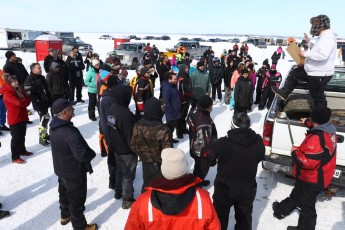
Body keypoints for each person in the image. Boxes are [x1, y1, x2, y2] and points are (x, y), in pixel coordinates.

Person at [272, 107, 336, 230]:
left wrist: (295, 152)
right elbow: (317, 127)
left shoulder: (317, 138)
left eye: (312, 118)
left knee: (307, 208)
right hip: (314, 176)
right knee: (297, 194)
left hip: (312, 179)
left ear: (316, 120)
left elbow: (307, 162)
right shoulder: (330, 129)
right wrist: (307, 122)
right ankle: (280, 211)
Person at [124, 148, 221, 230]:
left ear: (163, 170)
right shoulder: (202, 199)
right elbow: (214, 227)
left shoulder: (144, 202)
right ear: (185, 169)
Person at [49, 98, 97, 230]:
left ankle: (65, 215)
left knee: (64, 194)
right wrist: (91, 154)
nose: (73, 110)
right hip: (74, 172)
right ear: (64, 112)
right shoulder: (70, 132)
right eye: (71, 109)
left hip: (62, 169)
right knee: (77, 200)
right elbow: (82, 155)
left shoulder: (54, 126)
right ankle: (80, 226)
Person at [212, 113, 265, 230]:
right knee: (244, 217)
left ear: (232, 126)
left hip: (224, 188)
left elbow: (211, 157)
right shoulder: (258, 141)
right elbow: (260, 156)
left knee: (220, 216)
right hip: (247, 187)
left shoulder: (223, 143)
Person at [272, 14, 337, 108]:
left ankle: (320, 119)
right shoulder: (324, 37)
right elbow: (318, 50)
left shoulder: (327, 38)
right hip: (314, 71)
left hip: (319, 73)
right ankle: (284, 92)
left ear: (321, 25)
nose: (312, 27)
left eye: (314, 24)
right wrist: (309, 42)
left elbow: (322, 55)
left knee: (318, 97)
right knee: (295, 73)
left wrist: (305, 54)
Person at [130, 97, 172, 192]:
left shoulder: (138, 125)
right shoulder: (163, 130)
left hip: (145, 162)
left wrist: (143, 155)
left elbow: (133, 145)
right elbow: (168, 152)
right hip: (160, 164)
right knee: (160, 186)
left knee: (147, 183)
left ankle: (145, 201)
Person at [107, 85, 137, 209]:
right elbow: (131, 136)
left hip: (115, 146)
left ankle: (118, 191)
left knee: (119, 170)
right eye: (129, 95)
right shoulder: (126, 115)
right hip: (126, 149)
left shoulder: (112, 108)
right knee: (128, 175)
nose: (131, 98)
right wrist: (135, 149)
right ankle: (127, 199)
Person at [0, 74, 31, 164]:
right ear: (9, 83)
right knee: (16, 138)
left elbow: (28, 99)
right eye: (13, 82)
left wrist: (25, 101)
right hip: (15, 118)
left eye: (16, 81)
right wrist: (25, 101)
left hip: (22, 116)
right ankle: (15, 156)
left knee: (22, 135)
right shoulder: (7, 93)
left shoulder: (19, 89)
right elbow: (18, 103)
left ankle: (22, 150)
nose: (16, 83)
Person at [187, 95, 217, 187]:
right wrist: (211, 156)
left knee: (198, 167)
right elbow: (205, 142)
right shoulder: (204, 122)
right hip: (202, 152)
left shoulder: (194, 110)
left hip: (194, 145)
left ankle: (197, 180)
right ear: (207, 107)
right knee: (202, 169)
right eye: (211, 105)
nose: (212, 107)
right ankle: (197, 186)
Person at [24, 63, 52, 146]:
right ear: (33, 69)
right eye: (39, 68)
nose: (40, 69)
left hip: (45, 102)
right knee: (44, 120)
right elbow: (29, 94)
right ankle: (42, 138)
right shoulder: (29, 79)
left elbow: (47, 89)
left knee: (45, 119)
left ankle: (45, 134)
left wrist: (49, 99)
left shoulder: (41, 77)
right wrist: (38, 101)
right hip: (39, 104)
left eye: (40, 68)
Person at [162, 72, 181, 143]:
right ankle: (167, 141)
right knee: (170, 127)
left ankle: (170, 139)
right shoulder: (167, 88)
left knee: (172, 128)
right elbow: (166, 101)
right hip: (171, 112)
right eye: (174, 79)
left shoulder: (172, 85)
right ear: (169, 79)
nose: (176, 80)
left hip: (175, 110)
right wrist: (171, 111)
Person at [176, 64, 192, 138]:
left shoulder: (187, 76)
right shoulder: (180, 78)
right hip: (182, 100)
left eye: (187, 68)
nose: (187, 69)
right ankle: (179, 131)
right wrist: (182, 100)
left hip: (187, 98)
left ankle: (184, 128)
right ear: (182, 69)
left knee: (185, 115)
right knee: (180, 116)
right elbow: (179, 91)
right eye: (185, 68)